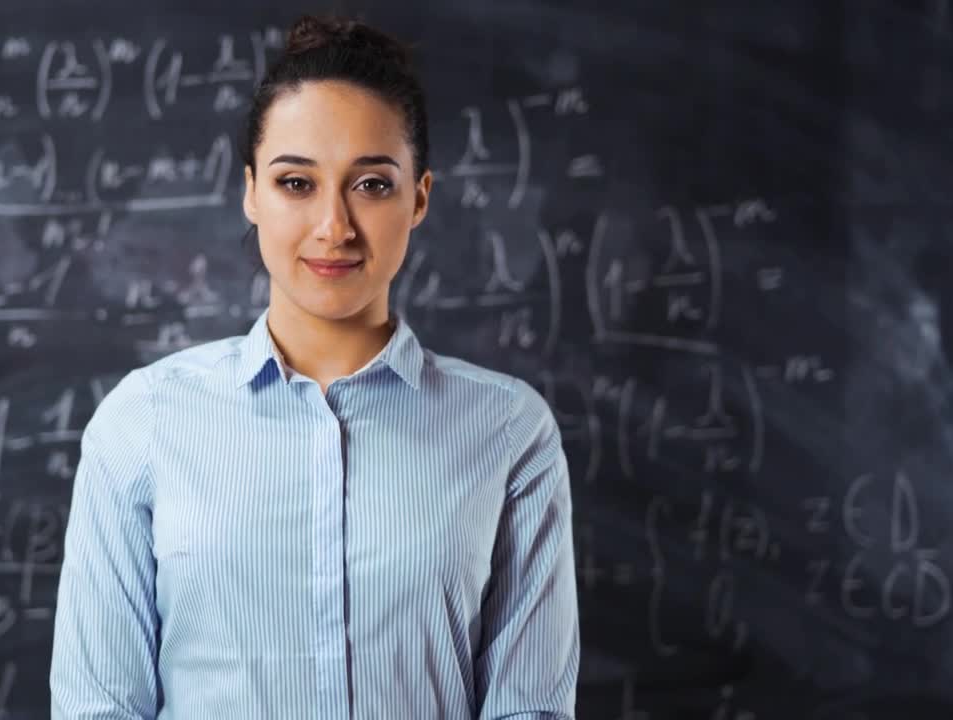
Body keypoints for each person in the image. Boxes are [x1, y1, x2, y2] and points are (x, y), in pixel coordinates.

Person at [50, 13, 579, 719]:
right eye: (297, 183)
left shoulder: (509, 432)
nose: (333, 226)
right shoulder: (141, 424)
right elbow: (98, 708)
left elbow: (530, 710)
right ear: (251, 192)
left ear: (419, 197)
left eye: (371, 185)